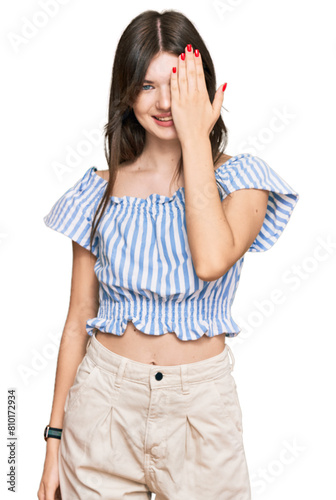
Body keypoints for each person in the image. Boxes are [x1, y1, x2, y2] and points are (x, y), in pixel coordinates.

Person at [37, 9, 299, 500]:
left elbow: (211, 259)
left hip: (200, 411)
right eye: (147, 85)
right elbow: (78, 320)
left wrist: (195, 136)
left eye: (178, 85)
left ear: (202, 90)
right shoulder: (96, 192)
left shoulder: (243, 180)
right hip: (101, 410)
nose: (164, 103)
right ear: (126, 92)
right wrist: (52, 443)